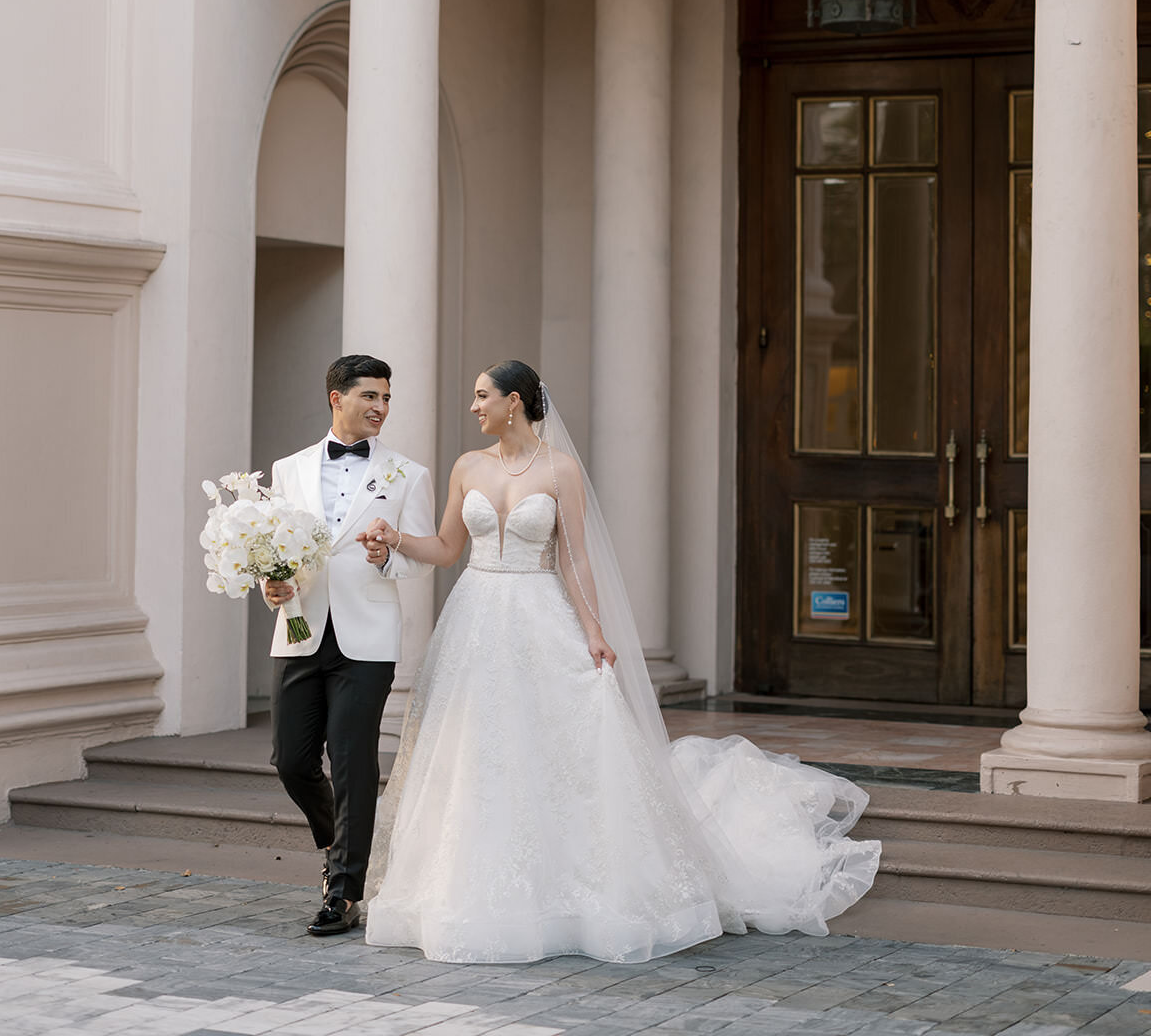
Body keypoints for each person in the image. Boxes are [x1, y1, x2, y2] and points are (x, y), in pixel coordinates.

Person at [357, 359, 880, 965]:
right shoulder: (467, 467)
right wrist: (394, 538)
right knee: (476, 750)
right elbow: (447, 549)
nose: (473, 407)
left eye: (482, 396)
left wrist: (594, 631)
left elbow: (575, 560)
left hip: (539, 616)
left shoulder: (560, 470)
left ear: (516, 402)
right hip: (474, 618)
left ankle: (572, 889)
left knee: (552, 751)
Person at [263, 353, 434, 937]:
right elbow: (273, 551)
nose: (381, 409)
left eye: (387, 398)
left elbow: (419, 560)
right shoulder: (287, 471)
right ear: (337, 397)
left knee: (354, 760)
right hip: (300, 628)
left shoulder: (407, 474)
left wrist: (388, 555)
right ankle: (337, 837)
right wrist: (271, 584)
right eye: (370, 397)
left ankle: (344, 889)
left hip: (367, 638)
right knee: (291, 760)